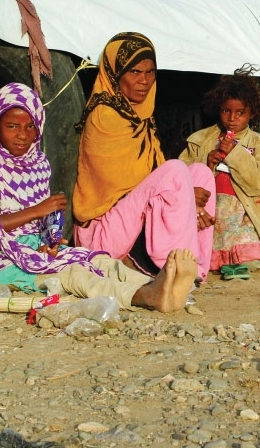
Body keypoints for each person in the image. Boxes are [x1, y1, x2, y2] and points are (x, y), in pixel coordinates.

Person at [0, 82, 196, 312]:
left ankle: (167, 285)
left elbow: (42, 222)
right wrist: (39, 210)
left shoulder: (37, 163)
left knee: (99, 261)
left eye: (30, 126)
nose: (22, 134)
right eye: (12, 126)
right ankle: (145, 296)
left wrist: (51, 239)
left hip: (35, 248)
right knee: (75, 275)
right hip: (2, 260)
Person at [72, 32, 215, 280]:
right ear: (116, 75)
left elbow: (152, 178)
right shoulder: (104, 116)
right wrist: (186, 198)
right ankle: (167, 267)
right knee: (176, 172)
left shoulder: (140, 115)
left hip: (133, 223)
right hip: (104, 234)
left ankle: (194, 267)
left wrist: (189, 201)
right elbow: (124, 187)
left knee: (200, 173)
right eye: (135, 72)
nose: (144, 81)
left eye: (150, 72)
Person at [179, 67, 260, 274]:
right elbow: (180, 174)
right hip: (210, 210)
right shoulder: (200, 140)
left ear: (252, 113)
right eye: (226, 110)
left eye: (240, 112)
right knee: (201, 255)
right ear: (218, 108)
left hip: (244, 213)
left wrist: (236, 154)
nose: (232, 118)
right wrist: (205, 162)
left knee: (251, 259)